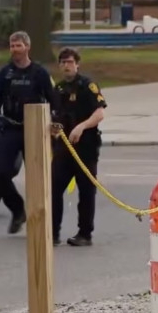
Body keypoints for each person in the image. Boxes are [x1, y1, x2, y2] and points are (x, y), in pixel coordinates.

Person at [0, 31, 63, 234]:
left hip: (34, 129)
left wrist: (56, 124)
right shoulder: (5, 73)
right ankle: (18, 211)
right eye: (12, 46)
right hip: (11, 128)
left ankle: (42, 223)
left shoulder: (39, 73)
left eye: (19, 46)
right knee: (1, 174)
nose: (15, 50)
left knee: (37, 178)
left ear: (27, 47)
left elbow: (54, 100)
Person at [50, 47, 107, 247]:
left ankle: (85, 234)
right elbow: (52, 115)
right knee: (53, 189)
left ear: (77, 64)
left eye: (70, 62)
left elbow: (100, 113)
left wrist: (81, 127)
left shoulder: (87, 85)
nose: (66, 66)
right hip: (63, 149)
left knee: (86, 192)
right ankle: (52, 233)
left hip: (86, 148)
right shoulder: (57, 90)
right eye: (63, 62)